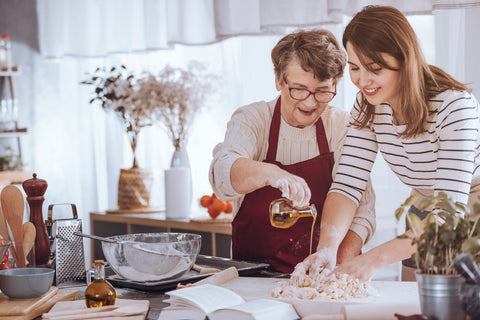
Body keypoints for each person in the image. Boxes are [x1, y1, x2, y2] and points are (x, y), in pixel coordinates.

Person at [307, 5, 480, 281]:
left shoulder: (455, 106)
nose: (362, 81)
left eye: (374, 68)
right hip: (425, 210)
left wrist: (374, 259)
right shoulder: (369, 105)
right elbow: (348, 184)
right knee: (413, 305)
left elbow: (451, 213)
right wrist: (328, 247)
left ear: (404, 60)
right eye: (354, 68)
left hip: (470, 211)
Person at [209, 29, 376, 273]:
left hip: (325, 279)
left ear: (335, 85)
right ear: (278, 80)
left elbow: (362, 211)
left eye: (322, 91)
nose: (310, 103)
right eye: (298, 89)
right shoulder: (253, 119)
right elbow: (221, 175)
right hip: (255, 281)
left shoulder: (342, 126)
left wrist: (334, 269)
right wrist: (270, 173)